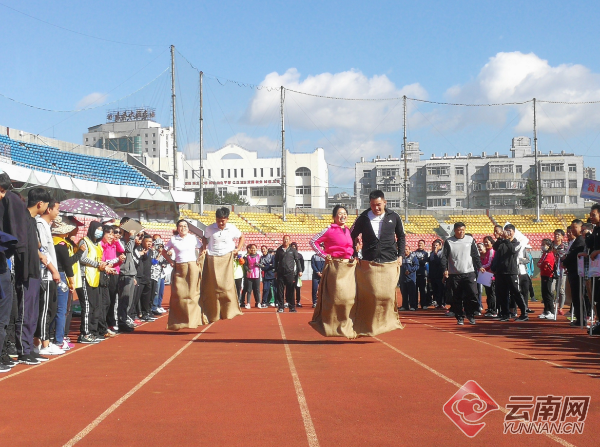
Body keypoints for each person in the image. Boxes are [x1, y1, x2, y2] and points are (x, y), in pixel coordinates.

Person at [350, 190, 405, 336]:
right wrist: (354, 252)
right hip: (370, 262)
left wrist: (400, 255)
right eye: (373, 205)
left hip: (390, 261)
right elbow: (350, 235)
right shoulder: (362, 218)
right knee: (371, 296)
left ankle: (387, 323)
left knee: (387, 295)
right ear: (370, 204)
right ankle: (366, 326)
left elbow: (401, 236)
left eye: (379, 205)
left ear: (385, 203)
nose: (376, 208)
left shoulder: (394, 216)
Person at [14, 188, 50, 364]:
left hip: (34, 270)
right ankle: (23, 350)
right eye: (47, 206)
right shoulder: (22, 218)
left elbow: (33, 243)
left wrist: (39, 251)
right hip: (25, 271)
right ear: (40, 204)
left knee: (33, 313)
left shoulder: (33, 221)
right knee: (25, 312)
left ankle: (29, 348)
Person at [309, 205, 357, 338]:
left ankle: (347, 326)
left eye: (345, 213)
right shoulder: (329, 229)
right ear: (334, 217)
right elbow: (313, 241)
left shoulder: (348, 230)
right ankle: (329, 326)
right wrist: (324, 255)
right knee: (336, 298)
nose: (343, 216)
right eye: (339, 214)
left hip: (348, 267)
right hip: (336, 266)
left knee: (349, 298)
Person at [200, 207, 244, 323]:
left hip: (227, 257)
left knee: (226, 286)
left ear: (227, 219)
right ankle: (213, 312)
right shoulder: (210, 228)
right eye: (218, 220)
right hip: (212, 257)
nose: (220, 223)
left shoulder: (232, 228)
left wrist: (237, 249)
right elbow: (204, 238)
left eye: (223, 221)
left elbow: (241, 237)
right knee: (213, 286)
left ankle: (229, 310)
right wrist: (204, 248)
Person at [162, 219, 205, 331]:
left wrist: (200, 257)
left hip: (192, 266)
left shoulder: (193, 238)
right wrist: (171, 261)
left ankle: (195, 321)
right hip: (179, 267)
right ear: (177, 228)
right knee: (178, 295)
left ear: (188, 228)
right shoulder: (173, 239)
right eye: (181, 226)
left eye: (185, 226)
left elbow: (202, 247)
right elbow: (163, 251)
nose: (183, 228)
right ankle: (178, 322)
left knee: (193, 294)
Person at [34, 197, 64, 356]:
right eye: (57, 209)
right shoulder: (39, 224)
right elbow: (42, 250)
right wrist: (53, 270)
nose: (58, 212)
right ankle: (43, 343)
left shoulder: (45, 225)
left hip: (49, 273)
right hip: (45, 273)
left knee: (49, 308)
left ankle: (39, 342)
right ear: (48, 209)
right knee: (45, 309)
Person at [440, 223, 482, 325]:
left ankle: (470, 314)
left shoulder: (470, 240)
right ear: (455, 231)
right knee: (456, 296)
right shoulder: (449, 242)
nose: (461, 232)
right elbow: (444, 257)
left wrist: (480, 266)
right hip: (455, 274)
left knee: (473, 294)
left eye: (463, 230)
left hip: (469, 272)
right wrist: (445, 269)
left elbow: (475, 255)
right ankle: (459, 317)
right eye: (459, 230)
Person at [51, 217, 81, 351]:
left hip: (54, 275)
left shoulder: (52, 242)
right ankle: (58, 339)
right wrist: (71, 281)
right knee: (62, 309)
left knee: (55, 308)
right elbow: (67, 264)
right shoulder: (61, 245)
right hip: (62, 275)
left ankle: (56, 337)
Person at [77, 221, 108, 344]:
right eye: (98, 229)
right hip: (85, 276)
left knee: (95, 306)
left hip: (95, 277)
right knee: (87, 306)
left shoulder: (98, 244)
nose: (99, 231)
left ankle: (92, 331)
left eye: (101, 229)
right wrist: (97, 264)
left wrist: (103, 264)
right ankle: (84, 333)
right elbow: (82, 258)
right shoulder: (85, 241)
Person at [492, 224, 528, 322]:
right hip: (500, 271)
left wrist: (507, 240)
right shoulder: (502, 242)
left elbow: (512, 251)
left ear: (513, 232)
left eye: (509, 231)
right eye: (506, 230)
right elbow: (495, 247)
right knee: (502, 294)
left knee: (516, 293)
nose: (508, 233)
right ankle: (505, 313)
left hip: (511, 271)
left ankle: (524, 313)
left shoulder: (517, 243)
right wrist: (500, 238)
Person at [99, 225, 123, 336]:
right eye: (110, 233)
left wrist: (116, 241)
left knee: (111, 300)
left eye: (114, 233)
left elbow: (122, 250)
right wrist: (117, 260)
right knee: (106, 301)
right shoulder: (102, 245)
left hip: (114, 272)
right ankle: (105, 325)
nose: (113, 236)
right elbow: (105, 261)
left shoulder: (113, 244)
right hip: (105, 273)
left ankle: (108, 324)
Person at [117, 217, 138, 333]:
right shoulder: (120, 240)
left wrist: (134, 276)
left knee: (129, 300)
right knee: (123, 300)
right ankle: (121, 322)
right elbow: (128, 250)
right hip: (124, 272)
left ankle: (124, 320)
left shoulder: (129, 239)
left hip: (131, 273)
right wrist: (131, 237)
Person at [565, 220, 588, 326]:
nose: (573, 230)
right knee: (575, 296)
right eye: (572, 227)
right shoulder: (575, 240)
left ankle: (581, 319)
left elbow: (573, 255)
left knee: (579, 296)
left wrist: (564, 261)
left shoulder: (580, 240)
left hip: (578, 272)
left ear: (580, 227)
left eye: (575, 227)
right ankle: (579, 318)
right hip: (573, 271)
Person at [274, 235, 303, 313]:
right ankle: (281, 307)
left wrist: (300, 270)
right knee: (280, 291)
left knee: (290, 290)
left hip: (290, 273)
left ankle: (292, 307)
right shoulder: (279, 250)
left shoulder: (293, 250)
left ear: (290, 241)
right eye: (284, 239)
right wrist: (275, 271)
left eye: (287, 240)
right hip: (280, 273)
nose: (285, 241)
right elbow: (276, 261)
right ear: (282, 240)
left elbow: (297, 261)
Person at [538, 239, 556, 319]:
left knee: (548, 293)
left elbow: (544, 264)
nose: (542, 246)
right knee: (544, 293)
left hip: (548, 275)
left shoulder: (549, 254)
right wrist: (541, 264)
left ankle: (551, 311)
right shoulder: (545, 254)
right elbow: (539, 263)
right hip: (543, 274)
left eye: (544, 244)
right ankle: (546, 310)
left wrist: (541, 264)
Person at [150, 236, 168, 315]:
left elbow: (165, 262)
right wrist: (159, 254)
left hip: (161, 274)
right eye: (159, 246)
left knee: (161, 291)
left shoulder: (163, 253)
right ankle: (154, 307)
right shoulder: (153, 252)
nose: (160, 248)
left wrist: (164, 263)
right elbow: (154, 262)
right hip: (154, 274)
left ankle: (159, 305)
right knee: (155, 291)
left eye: (162, 246)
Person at [242, 244, 263, 309]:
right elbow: (245, 265)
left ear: (256, 249)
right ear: (250, 249)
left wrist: (258, 264)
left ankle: (259, 302)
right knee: (249, 290)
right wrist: (248, 270)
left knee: (257, 290)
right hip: (249, 275)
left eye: (254, 248)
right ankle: (248, 303)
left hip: (256, 275)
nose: (253, 250)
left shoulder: (259, 256)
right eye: (252, 249)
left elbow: (262, 265)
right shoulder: (247, 257)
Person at [481, 236, 497, 317]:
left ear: (491, 242)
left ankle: (493, 310)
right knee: (488, 293)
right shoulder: (487, 252)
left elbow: (489, 263)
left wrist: (482, 267)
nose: (485, 243)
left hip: (490, 275)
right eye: (484, 242)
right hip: (486, 274)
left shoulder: (491, 251)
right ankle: (490, 309)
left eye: (487, 242)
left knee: (491, 293)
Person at [553, 229, 568, 315]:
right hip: (552, 270)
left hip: (562, 270)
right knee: (551, 289)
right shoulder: (550, 245)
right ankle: (551, 305)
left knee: (561, 290)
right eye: (555, 234)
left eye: (558, 235)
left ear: (562, 236)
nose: (556, 236)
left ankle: (560, 307)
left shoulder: (565, 246)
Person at [399, 245, 418, 312]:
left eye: (407, 249)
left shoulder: (413, 257)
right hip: (403, 278)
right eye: (404, 250)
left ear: (409, 250)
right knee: (404, 293)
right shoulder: (401, 258)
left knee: (412, 293)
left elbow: (416, 266)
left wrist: (410, 271)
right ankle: (405, 306)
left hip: (411, 278)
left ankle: (413, 306)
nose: (405, 251)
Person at [413, 240, 430, 309]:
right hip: (415, 273)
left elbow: (424, 262)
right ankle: (415, 305)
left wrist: (418, 260)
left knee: (422, 290)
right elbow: (414, 261)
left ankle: (423, 304)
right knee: (415, 290)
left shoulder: (425, 253)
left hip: (422, 274)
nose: (420, 244)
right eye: (419, 243)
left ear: (424, 245)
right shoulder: (414, 253)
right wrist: (420, 260)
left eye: (421, 243)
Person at [429, 239, 445, 309]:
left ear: (440, 246)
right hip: (433, 275)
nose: (435, 247)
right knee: (434, 289)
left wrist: (435, 254)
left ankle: (442, 303)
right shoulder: (431, 254)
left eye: (436, 245)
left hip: (440, 274)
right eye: (433, 245)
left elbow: (439, 263)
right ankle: (437, 303)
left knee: (440, 289)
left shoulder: (442, 253)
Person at [290, 242, 305, 308]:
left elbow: (302, 265)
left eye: (294, 247)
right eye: (292, 247)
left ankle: (298, 301)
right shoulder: (288, 255)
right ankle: (289, 301)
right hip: (290, 274)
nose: (293, 248)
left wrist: (301, 271)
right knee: (289, 288)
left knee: (298, 288)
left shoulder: (299, 256)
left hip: (297, 274)